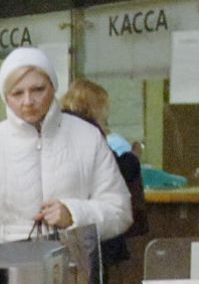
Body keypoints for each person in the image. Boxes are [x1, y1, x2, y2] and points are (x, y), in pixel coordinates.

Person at [0, 48, 130, 246]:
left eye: (38, 89)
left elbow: (120, 211)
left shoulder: (87, 136)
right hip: (5, 268)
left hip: (73, 267)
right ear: (5, 97)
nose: (28, 101)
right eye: (17, 93)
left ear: (53, 87)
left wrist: (73, 214)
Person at [59, 78, 148, 266]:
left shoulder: (59, 128)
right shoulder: (88, 132)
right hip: (92, 228)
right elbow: (115, 168)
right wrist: (133, 158)